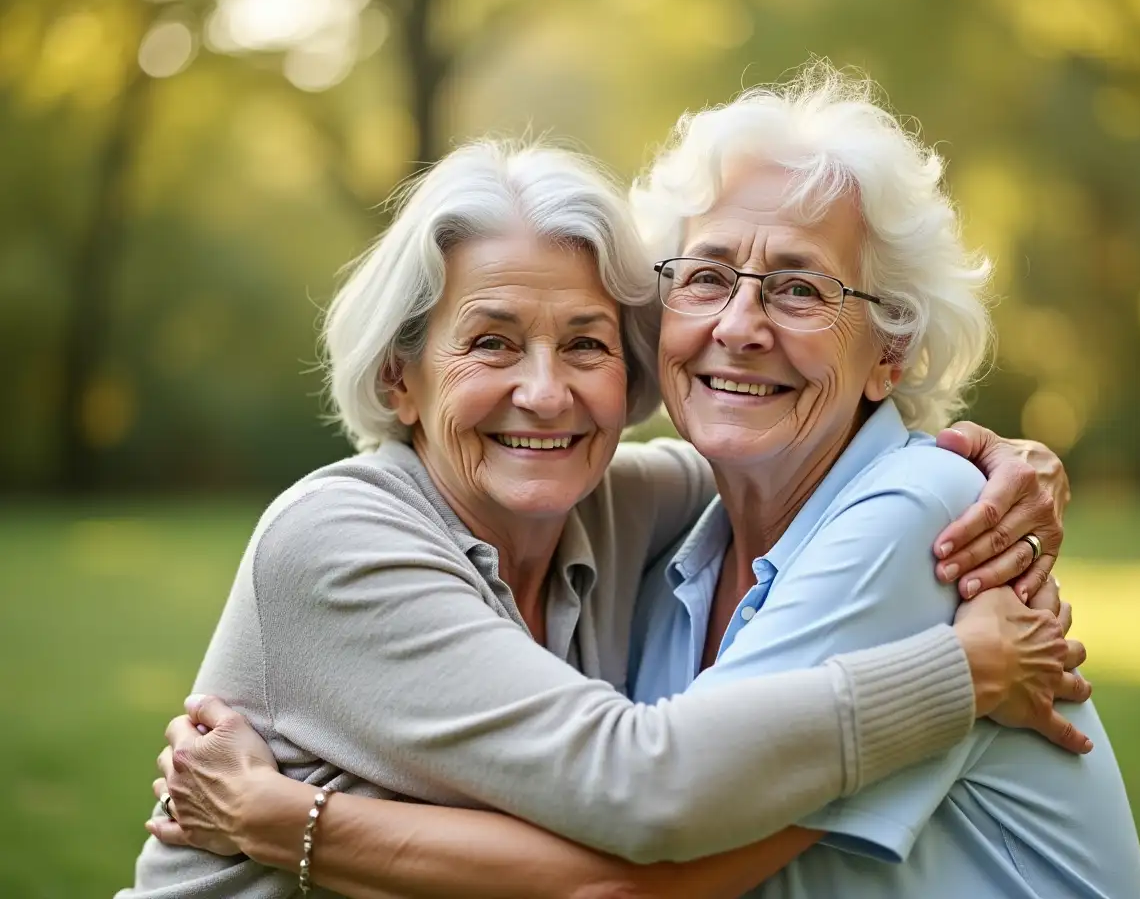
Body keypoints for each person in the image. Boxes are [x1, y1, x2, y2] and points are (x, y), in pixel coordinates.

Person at [126, 98, 1086, 899]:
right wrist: (963, 673)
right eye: (493, 342)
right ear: (397, 381)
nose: (545, 395)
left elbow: (824, 461)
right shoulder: (337, 540)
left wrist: (997, 459)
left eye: (584, 343)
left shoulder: (627, 505)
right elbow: (646, 799)